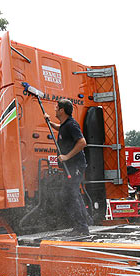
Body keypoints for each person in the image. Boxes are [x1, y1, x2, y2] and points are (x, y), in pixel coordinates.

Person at [45, 99, 89, 236]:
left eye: (56, 107)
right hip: (71, 166)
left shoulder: (71, 125)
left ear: (62, 110)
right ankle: (84, 223)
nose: (55, 109)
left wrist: (67, 156)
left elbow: (82, 142)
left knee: (69, 194)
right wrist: (50, 123)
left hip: (75, 166)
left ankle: (81, 228)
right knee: (72, 193)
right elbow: (61, 128)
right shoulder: (65, 125)